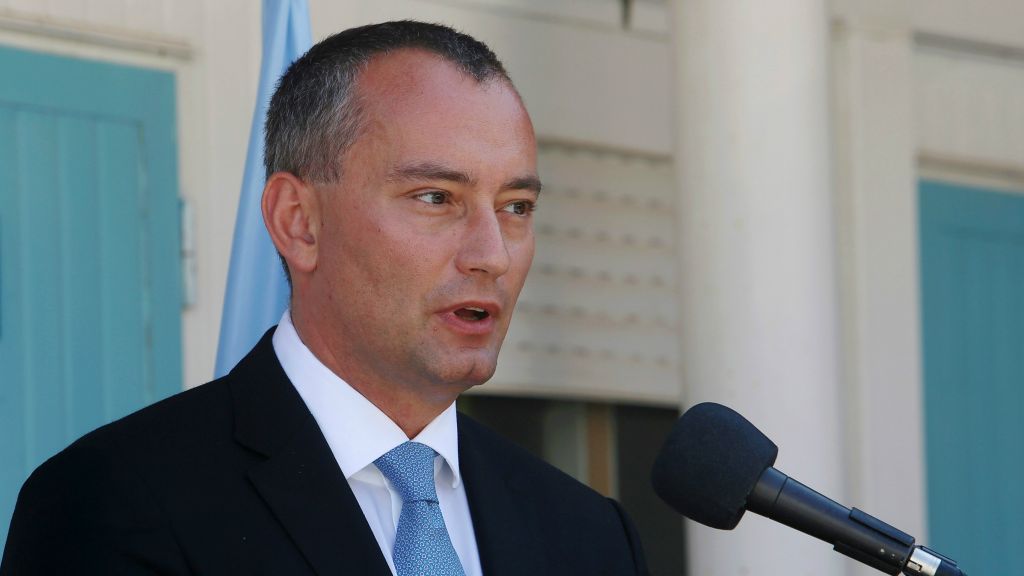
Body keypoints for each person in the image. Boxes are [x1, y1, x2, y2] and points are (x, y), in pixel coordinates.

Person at [0, 21, 648, 575]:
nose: (493, 254)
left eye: (516, 206)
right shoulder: (115, 503)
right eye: (436, 198)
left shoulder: (589, 536)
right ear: (299, 222)